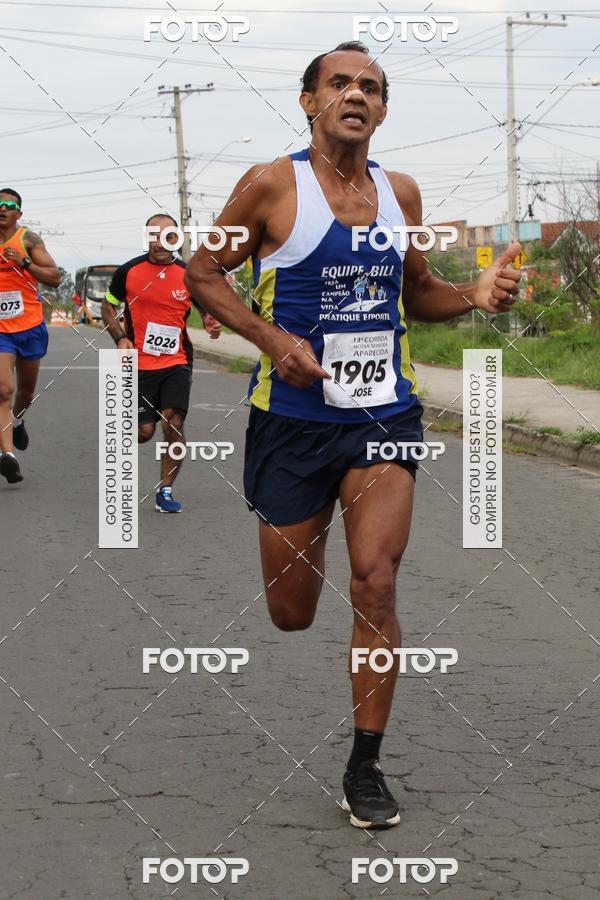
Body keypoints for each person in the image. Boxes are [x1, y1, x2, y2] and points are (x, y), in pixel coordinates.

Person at [184, 41, 522, 828]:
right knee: (291, 613)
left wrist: (473, 294)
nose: (356, 94)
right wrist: (274, 343)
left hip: (383, 418)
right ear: (310, 101)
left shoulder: (400, 192)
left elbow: (424, 293)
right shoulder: (272, 185)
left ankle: (365, 765)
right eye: (340, 82)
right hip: (293, 424)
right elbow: (204, 275)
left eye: (371, 86)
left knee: (376, 580)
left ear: (384, 110)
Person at [102, 213, 221, 513]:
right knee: (143, 432)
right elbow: (107, 305)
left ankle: (165, 489)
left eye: (167, 235)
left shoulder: (187, 274)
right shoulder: (128, 272)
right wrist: (119, 337)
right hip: (139, 364)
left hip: (177, 361)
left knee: (174, 422)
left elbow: (208, 307)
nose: (159, 241)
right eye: (153, 235)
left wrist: (211, 321)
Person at [0, 188, 61, 484]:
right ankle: (8, 456)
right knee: (3, 390)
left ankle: (19, 419)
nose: (2, 208)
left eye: (8, 205)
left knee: (24, 393)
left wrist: (24, 263)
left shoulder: (28, 240)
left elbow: (54, 277)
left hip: (30, 326)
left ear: (18, 214)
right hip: (1, 332)